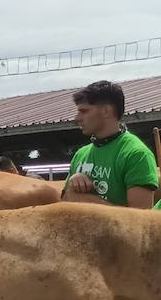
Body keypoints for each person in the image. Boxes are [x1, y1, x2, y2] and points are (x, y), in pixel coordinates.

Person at [62, 80, 158, 209]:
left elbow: (141, 221)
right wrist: (73, 181)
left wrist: (87, 200)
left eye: (84, 111)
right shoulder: (80, 154)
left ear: (106, 111)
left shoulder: (137, 154)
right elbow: (64, 203)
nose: (77, 118)